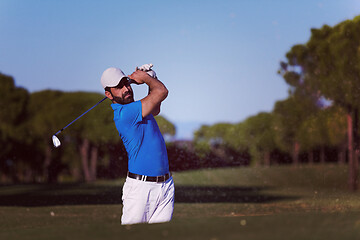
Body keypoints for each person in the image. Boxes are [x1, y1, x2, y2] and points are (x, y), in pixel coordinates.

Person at [100, 65, 175, 225]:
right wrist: (146, 79)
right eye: (119, 87)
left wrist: (150, 78)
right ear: (108, 94)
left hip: (165, 185)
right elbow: (162, 92)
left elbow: (155, 107)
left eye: (127, 83)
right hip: (141, 189)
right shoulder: (124, 114)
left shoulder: (138, 109)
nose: (126, 89)